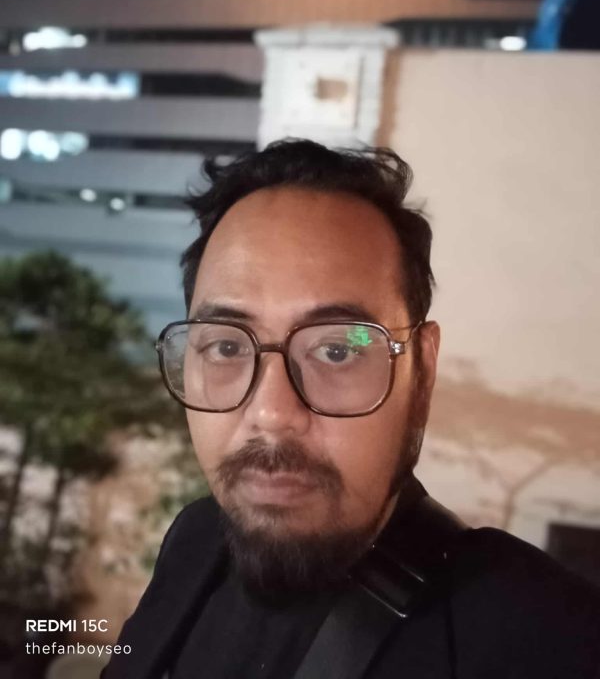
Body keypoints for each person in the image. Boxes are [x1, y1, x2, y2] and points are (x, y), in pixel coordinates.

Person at [103, 140, 599, 679]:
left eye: (337, 350)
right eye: (226, 346)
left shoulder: (543, 636)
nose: (271, 413)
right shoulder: (196, 538)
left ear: (422, 372)